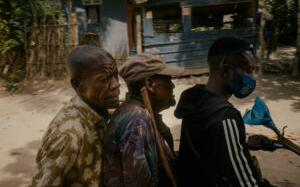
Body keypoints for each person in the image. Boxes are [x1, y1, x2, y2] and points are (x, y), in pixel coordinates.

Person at [174, 37, 275, 187]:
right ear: (226, 71)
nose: (252, 78)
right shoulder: (225, 117)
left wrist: (242, 145)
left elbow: (208, 148)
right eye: (248, 70)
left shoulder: (195, 100)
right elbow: (247, 183)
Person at [30, 45, 120, 187]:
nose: (116, 85)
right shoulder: (68, 134)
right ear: (78, 85)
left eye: (116, 75)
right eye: (105, 80)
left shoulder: (96, 111)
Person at [103, 53, 184, 187]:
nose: (173, 86)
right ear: (150, 84)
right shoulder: (137, 119)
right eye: (168, 80)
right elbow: (138, 181)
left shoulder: (137, 111)